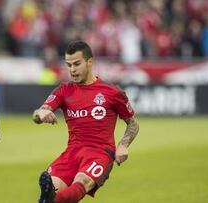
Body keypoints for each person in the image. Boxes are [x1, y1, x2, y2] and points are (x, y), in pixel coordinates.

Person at [33, 41, 139, 203]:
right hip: (71, 153)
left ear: (89, 62)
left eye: (76, 64)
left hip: (100, 153)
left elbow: (133, 123)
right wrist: (40, 113)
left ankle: (49, 201)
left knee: (82, 181)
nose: (72, 70)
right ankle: (50, 199)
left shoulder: (112, 92)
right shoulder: (64, 90)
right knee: (52, 186)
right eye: (68, 65)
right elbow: (42, 111)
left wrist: (123, 145)